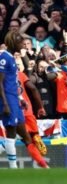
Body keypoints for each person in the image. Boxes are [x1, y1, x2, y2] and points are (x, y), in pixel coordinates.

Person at [0, 31, 48, 168]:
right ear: (14, 42)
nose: (23, 44)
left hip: (16, 101)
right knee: (11, 133)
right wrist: (5, 104)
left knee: (24, 137)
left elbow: (13, 82)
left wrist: (20, 97)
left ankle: (43, 166)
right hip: (8, 100)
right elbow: (0, 82)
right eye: (21, 41)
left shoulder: (12, 59)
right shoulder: (4, 57)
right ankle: (13, 168)